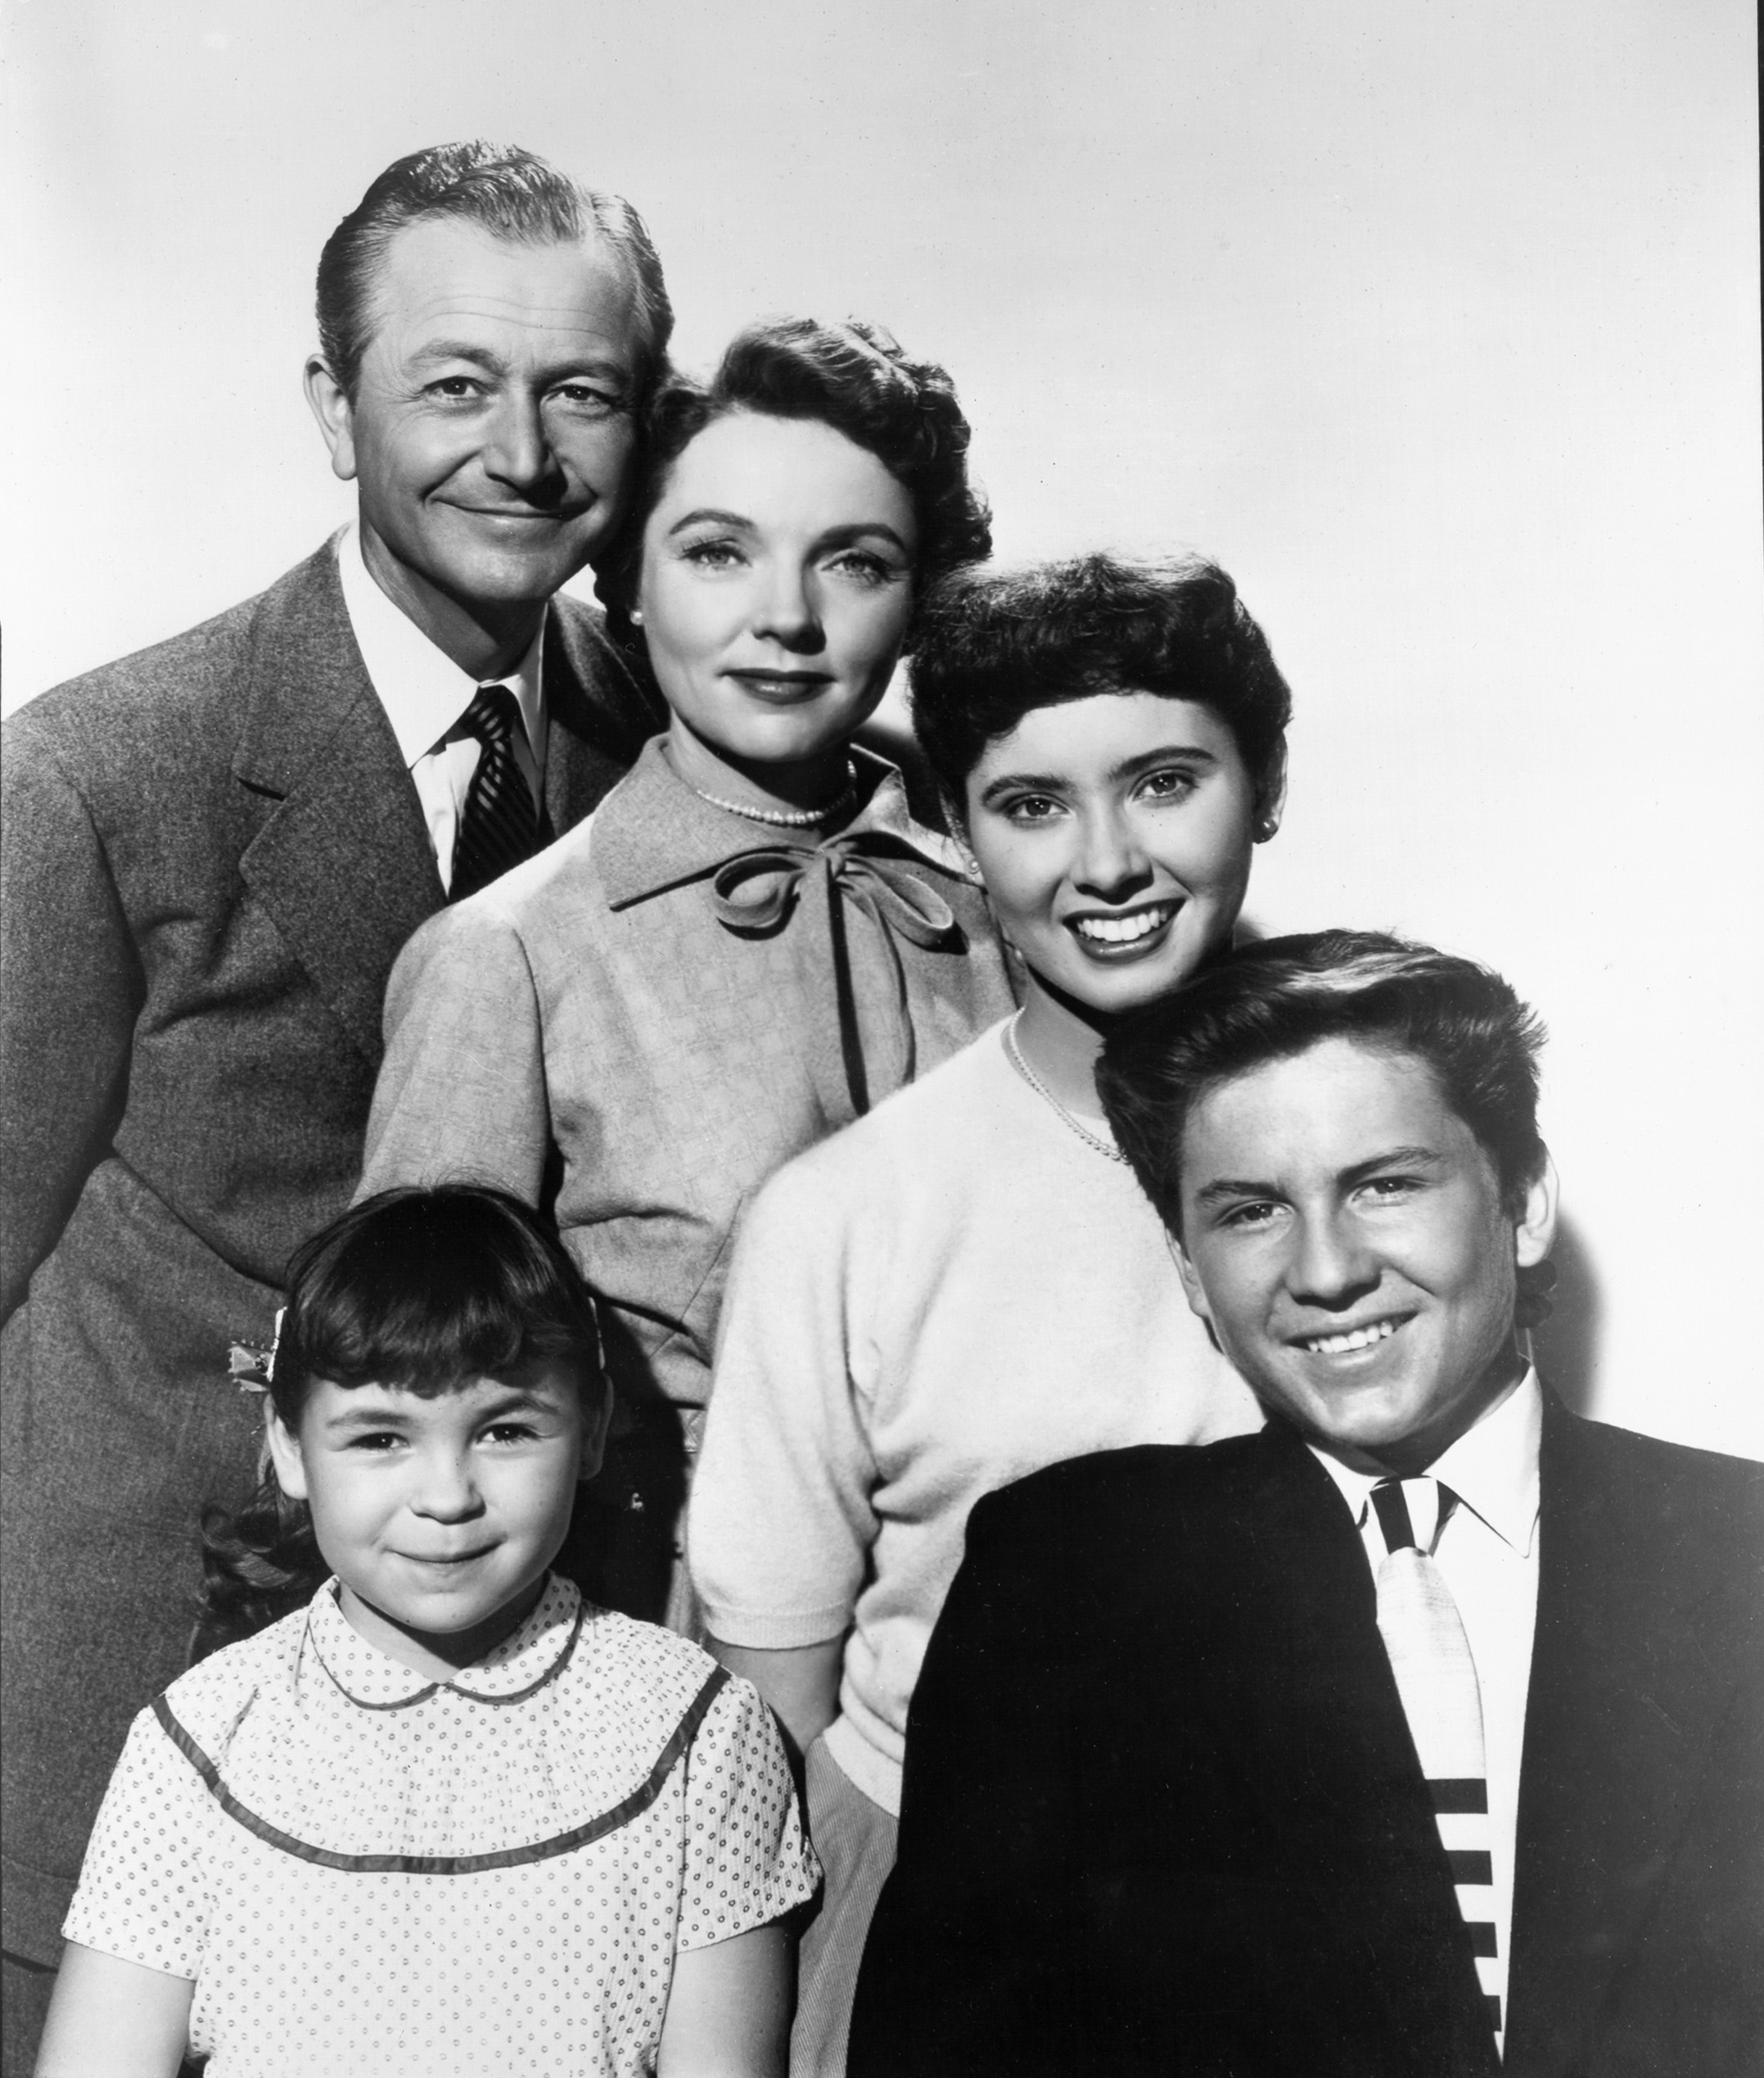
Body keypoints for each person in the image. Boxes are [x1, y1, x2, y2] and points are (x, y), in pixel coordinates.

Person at [0, 140, 669, 2063]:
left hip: (530, 1714)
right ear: (331, 405)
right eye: (453, 383)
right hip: (133, 1712)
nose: (523, 452)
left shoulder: (675, 750)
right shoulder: (102, 774)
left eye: (583, 393)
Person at [850, 931, 1764, 2078]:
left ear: (1520, 1204)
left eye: (1381, 1184)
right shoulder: (1069, 1575)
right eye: (1247, 1212)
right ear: (1187, 1270)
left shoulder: (1738, 1553)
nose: (1323, 1269)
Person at [688, 553, 1291, 2074]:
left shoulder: (1387, 1162)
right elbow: (774, 1714)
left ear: (1263, 786)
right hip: (944, 1906)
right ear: (953, 825)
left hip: (1311, 1878)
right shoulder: (845, 1216)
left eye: (1165, 781)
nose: (1110, 862)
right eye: (1031, 805)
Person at [358, 318, 1016, 1629]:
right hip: (677, 1641)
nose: (784, 616)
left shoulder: (1010, 905)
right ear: (631, 582)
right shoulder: (510, 954)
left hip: (1028, 1616)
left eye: (854, 561)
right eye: (717, 552)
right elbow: (408, 1408)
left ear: (917, 599)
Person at [34, 1187, 817, 2078]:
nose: (447, 1497)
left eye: (507, 1430)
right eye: (379, 1439)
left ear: (591, 1429)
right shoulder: (200, 1740)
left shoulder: (697, 1735)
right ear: (289, 1447)